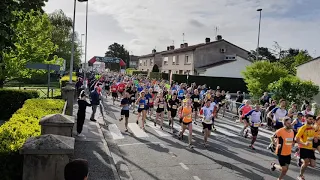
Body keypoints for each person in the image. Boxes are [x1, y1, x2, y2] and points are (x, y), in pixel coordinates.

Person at [295, 114, 316, 180]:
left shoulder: (313, 128)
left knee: (313, 165)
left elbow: (312, 136)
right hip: (303, 147)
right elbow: (296, 138)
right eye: (310, 119)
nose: (311, 120)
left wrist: (315, 138)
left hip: (310, 148)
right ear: (306, 119)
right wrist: (304, 143)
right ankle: (300, 175)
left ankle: (300, 159)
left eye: (312, 119)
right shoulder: (303, 128)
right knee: (306, 162)